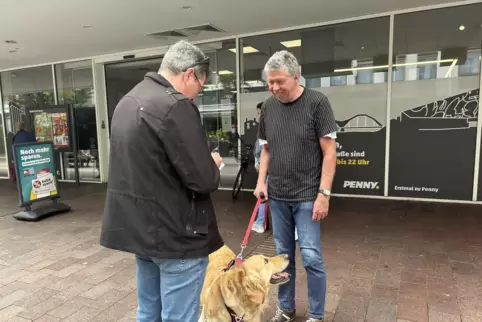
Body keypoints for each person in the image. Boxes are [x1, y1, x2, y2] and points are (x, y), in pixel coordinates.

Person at [99, 40, 224, 322]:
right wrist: (212, 164)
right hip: (177, 234)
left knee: (148, 313)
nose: (195, 96)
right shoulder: (175, 105)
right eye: (199, 88)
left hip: (141, 232)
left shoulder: (127, 102)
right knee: (179, 317)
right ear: (189, 74)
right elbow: (202, 179)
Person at [254, 50, 337, 322]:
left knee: (311, 257)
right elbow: (266, 150)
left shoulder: (317, 102)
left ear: (296, 76)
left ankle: (316, 315)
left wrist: (323, 194)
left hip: (307, 195)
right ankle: (286, 309)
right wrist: (260, 182)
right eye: (270, 82)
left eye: (280, 81)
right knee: (282, 257)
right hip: (277, 195)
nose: (274, 87)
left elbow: (329, 152)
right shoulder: (267, 107)